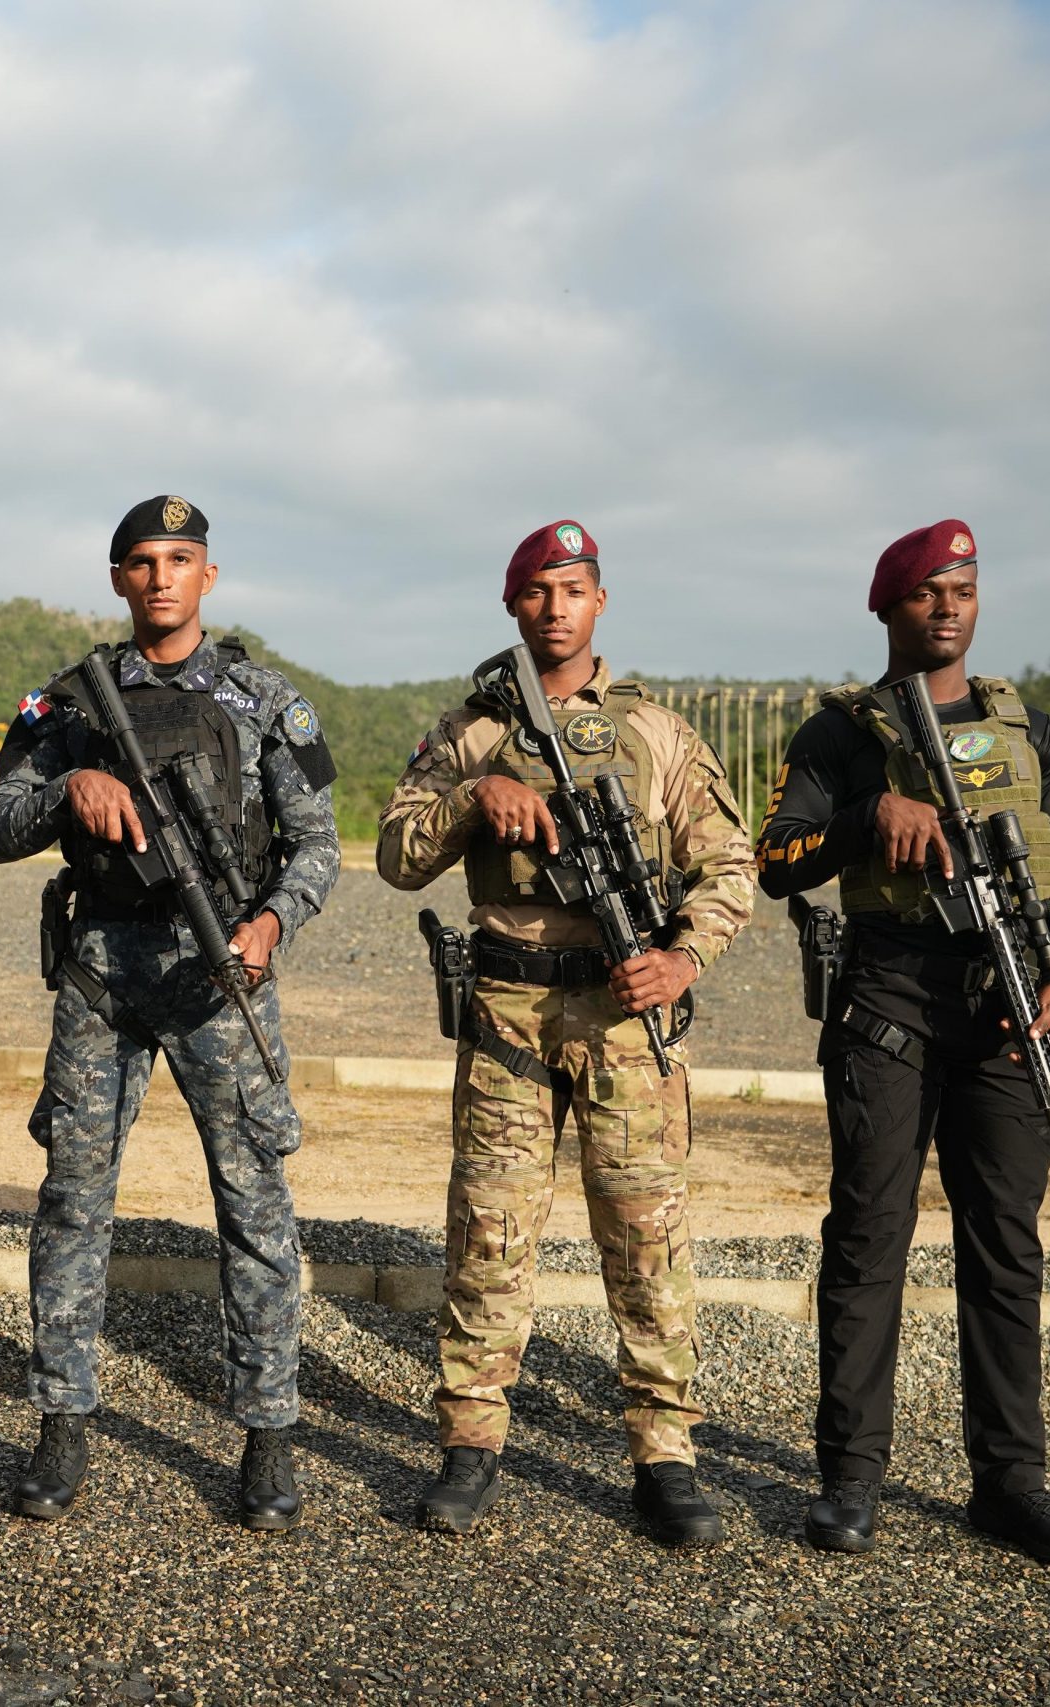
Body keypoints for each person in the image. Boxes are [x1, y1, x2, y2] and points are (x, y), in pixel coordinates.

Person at [379, 519, 756, 1543]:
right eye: (538, 591)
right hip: (507, 1012)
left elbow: (731, 865)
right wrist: (473, 795)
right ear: (513, 607)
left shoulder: (658, 734)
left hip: (626, 1016)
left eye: (574, 588)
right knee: (489, 1236)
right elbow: (397, 855)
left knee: (647, 1243)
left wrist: (681, 957)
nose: (556, 607)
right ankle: (470, 1444)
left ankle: (664, 1458)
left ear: (599, 603)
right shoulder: (468, 731)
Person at [755, 518, 1050, 1566]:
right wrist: (870, 815)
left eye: (961, 588)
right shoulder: (842, 737)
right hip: (890, 1005)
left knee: (1004, 1246)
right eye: (924, 593)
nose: (946, 606)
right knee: (868, 1240)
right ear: (887, 610)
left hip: (1011, 1010)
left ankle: (1010, 1485)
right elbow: (779, 860)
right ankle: (849, 1482)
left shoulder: (1029, 731)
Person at [0, 495, 339, 1531]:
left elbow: (315, 845)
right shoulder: (65, 706)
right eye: (140, 562)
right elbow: (1, 821)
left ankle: (268, 1436)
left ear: (208, 577)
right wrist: (73, 788)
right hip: (103, 968)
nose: (159, 579)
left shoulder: (263, 699)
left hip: (221, 968)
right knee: (73, 1202)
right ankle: (61, 1424)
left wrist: (270, 926)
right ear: (117, 580)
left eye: (179, 560)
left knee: (255, 1205)